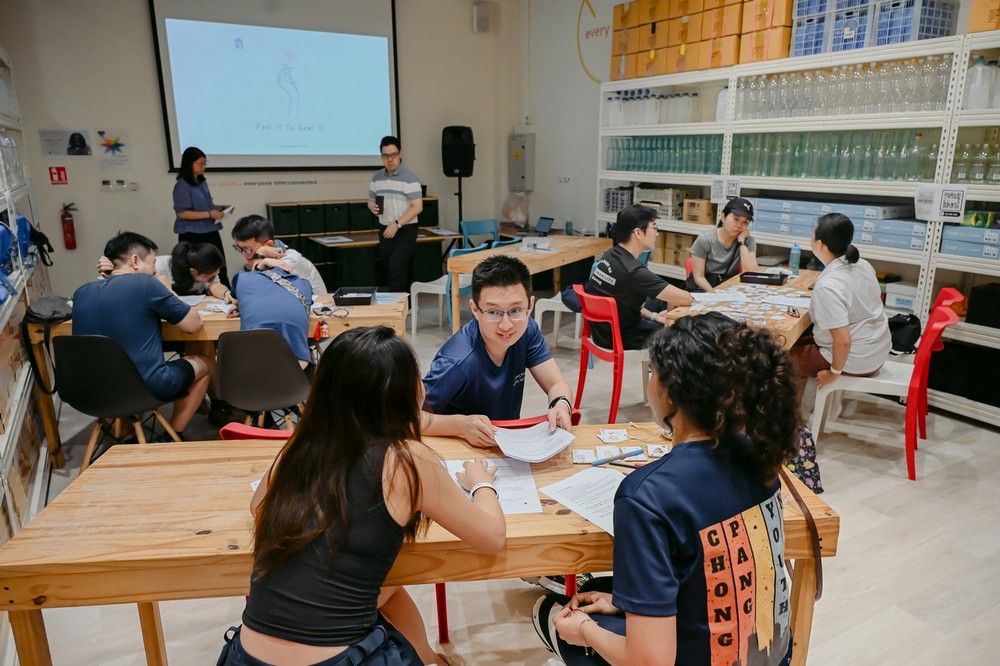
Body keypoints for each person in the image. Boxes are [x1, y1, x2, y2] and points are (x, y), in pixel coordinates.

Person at [219, 326, 505, 666]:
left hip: (246, 656)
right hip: (338, 660)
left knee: (387, 592)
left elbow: (259, 506)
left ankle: (427, 658)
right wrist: (480, 483)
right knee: (383, 592)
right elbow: (492, 537)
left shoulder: (301, 444)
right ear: (404, 391)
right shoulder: (407, 459)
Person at [533, 312, 799, 666]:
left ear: (669, 392)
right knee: (604, 591)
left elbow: (650, 662)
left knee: (550, 611)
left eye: (652, 373)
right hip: (770, 657)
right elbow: (719, 575)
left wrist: (583, 631)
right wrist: (625, 603)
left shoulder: (647, 496)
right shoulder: (760, 451)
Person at [422, 255, 575, 448]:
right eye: (493, 312)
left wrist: (561, 404)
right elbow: (405, 418)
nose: (506, 325)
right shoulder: (458, 361)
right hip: (462, 448)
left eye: (515, 310)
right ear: (475, 310)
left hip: (505, 443)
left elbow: (556, 383)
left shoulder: (527, 331)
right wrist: (460, 425)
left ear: (530, 306)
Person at [72, 232, 211, 437]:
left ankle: (126, 433)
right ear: (135, 261)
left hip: (88, 390)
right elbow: (193, 325)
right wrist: (167, 289)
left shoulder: (81, 292)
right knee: (206, 362)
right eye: (153, 262)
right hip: (145, 387)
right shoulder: (147, 284)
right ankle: (172, 435)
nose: (155, 269)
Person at [791, 212, 891, 400]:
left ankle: (788, 422)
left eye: (813, 234)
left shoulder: (828, 285)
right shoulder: (863, 265)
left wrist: (833, 373)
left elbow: (843, 340)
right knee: (794, 339)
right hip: (877, 350)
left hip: (856, 359)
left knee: (775, 355)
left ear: (820, 244)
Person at [586, 204, 693, 350]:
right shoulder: (634, 272)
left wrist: (654, 316)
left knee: (660, 303)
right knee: (686, 334)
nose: (657, 234)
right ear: (637, 232)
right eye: (654, 228)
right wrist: (669, 309)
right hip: (624, 336)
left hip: (603, 331)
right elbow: (685, 298)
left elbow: (621, 302)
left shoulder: (610, 254)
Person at [230, 259, 314, 372]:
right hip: (297, 373)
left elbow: (236, 297)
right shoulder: (304, 284)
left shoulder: (242, 278)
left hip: (250, 370)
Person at [368, 135, 423, 293]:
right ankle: (409, 305)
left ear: (400, 154)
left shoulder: (409, 179)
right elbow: (370, 199)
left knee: (396, 271)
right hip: (385, 228)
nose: (390, 159)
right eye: (386, 155)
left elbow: (417, 207)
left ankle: (395, 311)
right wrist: (371, 205)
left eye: (394, 155)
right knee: (394, 269)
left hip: (405, 229)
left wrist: (397, 224)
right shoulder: (377, 178)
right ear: (381, 156)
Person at [172, 146, 230, 287]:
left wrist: (219, 209)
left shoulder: (201, 182)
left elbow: (205, 205)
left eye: (205, 163)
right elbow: (182, 213)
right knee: (198, 267)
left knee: (219, 264)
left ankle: (224, 290)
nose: (203, 166)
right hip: (193, 233)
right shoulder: (182, 185)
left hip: (210, 229)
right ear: (189, 164)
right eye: (200, 163)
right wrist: (210, 213)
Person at [97, 242, 231, 300]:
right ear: (193, 272)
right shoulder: (160, 266)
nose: (214, 278)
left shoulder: (207, 274)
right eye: (210, 276)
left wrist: (226, 293)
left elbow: (215, 286)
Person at [231, 214, 328, 295]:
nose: (244, 255)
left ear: (269, 245)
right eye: (238, 248)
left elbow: (255, 289)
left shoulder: (290, 260)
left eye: (247, 249)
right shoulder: (267, 259)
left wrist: (260, 254)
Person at [687, 196, 760, 293]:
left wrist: (742, 242)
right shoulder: (705, 239)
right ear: (723, 217)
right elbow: (699, 277)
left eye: (745, 222)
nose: (739, 225)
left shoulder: (748, 241)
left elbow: (751, 274)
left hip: (728, 289)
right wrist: (715, 294)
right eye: (736, 219)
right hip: (703, 289)